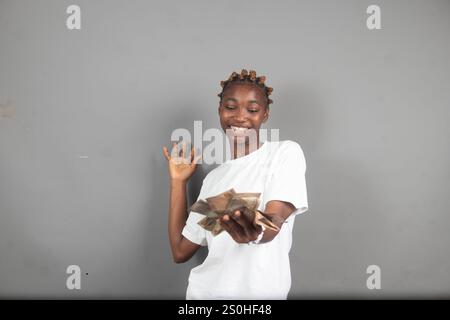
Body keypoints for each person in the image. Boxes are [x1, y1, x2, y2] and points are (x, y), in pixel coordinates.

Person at [162, 69, 309, 299]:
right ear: (220, 111)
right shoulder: (214, 179)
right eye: (231, 107)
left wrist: (257, 231)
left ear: (265, 115)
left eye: (252, 109)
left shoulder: (284, 153)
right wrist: (178, 183)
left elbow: (275, 219)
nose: (240, 117)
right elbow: (180, 251)